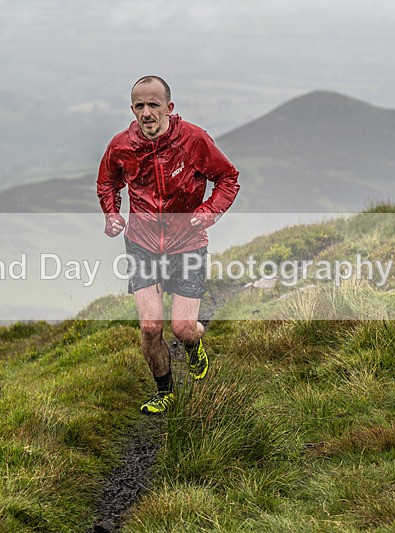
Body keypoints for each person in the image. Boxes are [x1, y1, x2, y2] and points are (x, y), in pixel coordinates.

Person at [97, 75, 240, 414]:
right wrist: (111, 215)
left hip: (187, 241)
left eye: (153, 105)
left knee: (183, 328)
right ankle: (166, 391)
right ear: (132, 109)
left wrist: (208, 212)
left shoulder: (193, 139)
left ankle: (195, 343)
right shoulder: (121, 146)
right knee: (150, 327)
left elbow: (228, 178)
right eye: (139, 106)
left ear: (169, 108)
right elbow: (107, 184)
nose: (146, 112)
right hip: (142, 243)